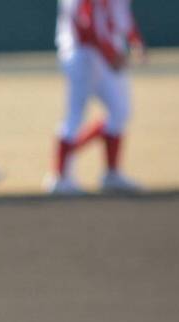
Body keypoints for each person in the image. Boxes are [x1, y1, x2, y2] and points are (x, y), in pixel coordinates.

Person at [47, 0, 144, 195]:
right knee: (75, 115)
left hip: (100, 50)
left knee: (120, 111)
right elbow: (87, 22)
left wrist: (134, 39)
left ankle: (111, 174)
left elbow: (119, 14)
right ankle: (60, 178)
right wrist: (110, 53)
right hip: (84, 52)